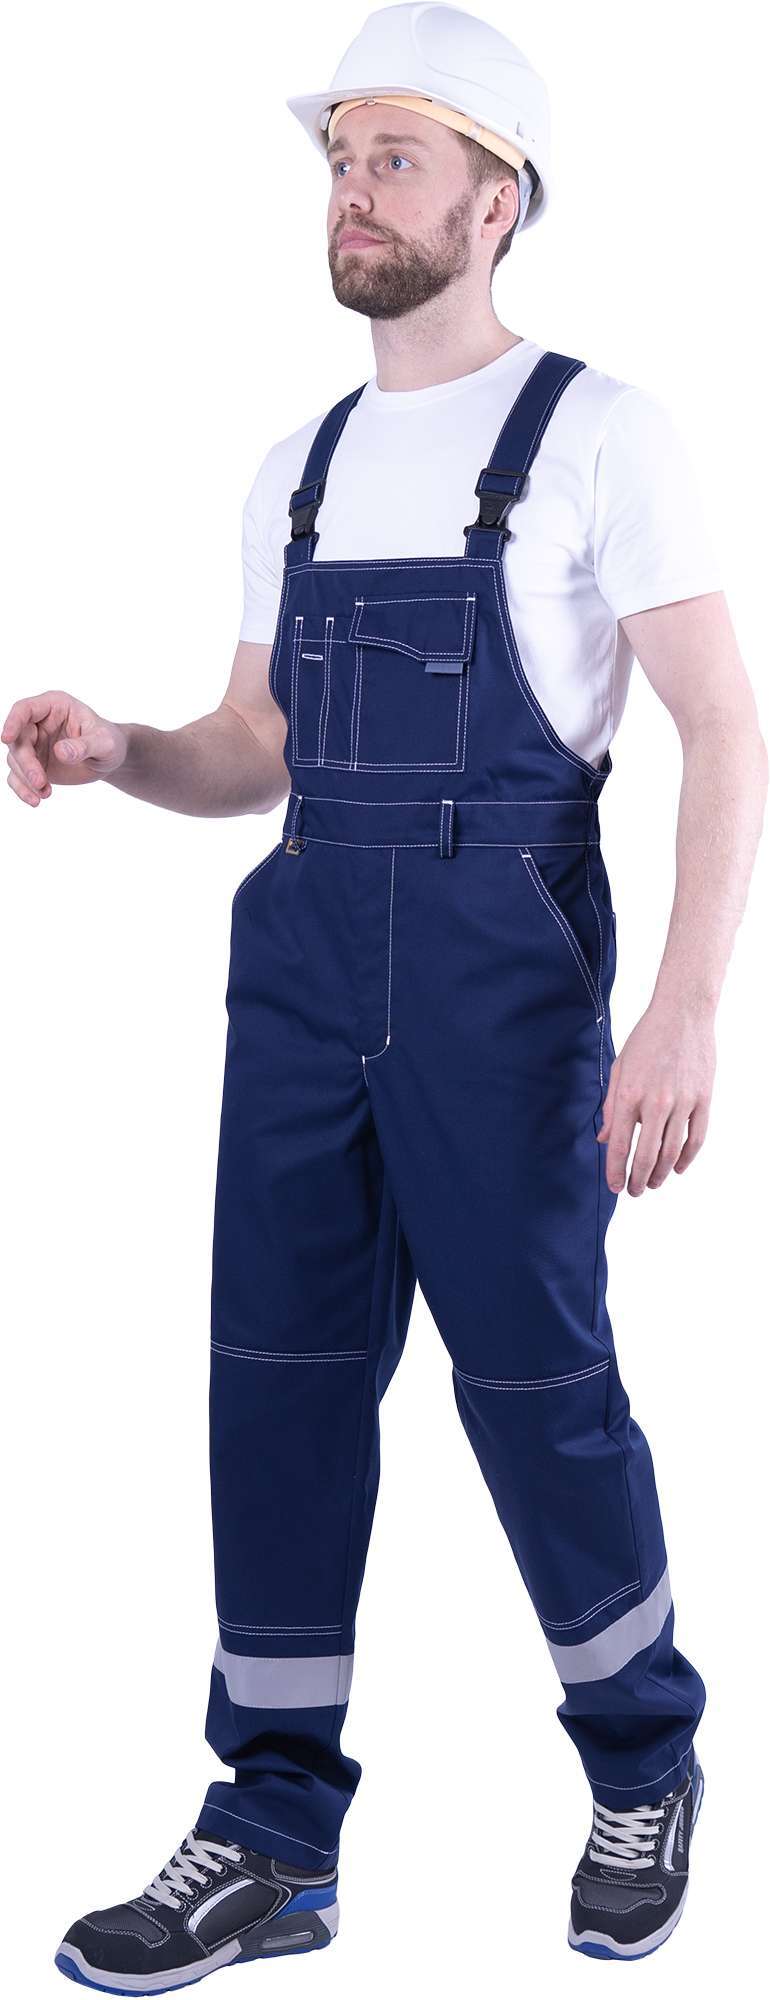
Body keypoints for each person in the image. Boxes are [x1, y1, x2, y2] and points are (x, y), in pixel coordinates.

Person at [5, 4, 766, 1986]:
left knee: (537, 1388)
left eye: (395, 159)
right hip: (302, 963)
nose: (351, 191)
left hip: (501, 974)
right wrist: (123, 751)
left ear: (495, 203)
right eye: (340, 160)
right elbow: (256, 747)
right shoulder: (303, 466)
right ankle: (271, 1831)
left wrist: (685, 1011)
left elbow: (719, 725)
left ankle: (642, 1759)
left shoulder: (601, 433)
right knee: (270, 1387)